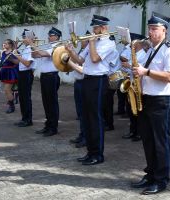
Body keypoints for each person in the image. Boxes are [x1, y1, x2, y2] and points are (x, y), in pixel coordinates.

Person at [128, 12, 170, 195]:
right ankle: (150, 174)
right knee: (148, 140)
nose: (150, 32)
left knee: (160, 141)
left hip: (162, 101)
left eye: (154, 29)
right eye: (149, 28)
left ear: (164, 30)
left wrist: (146, 72)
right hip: (147, 98)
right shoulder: (150, 48)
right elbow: (141, 70)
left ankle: (161, 180)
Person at [65, 15, 118, 165]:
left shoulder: (109, 44)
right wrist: (70, 51)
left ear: (104, 28)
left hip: (99, 81)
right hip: (87, 79)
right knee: (87, 117)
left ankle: (98, 154)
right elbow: (80, 60)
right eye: (93, 28)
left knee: (95, 117)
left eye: (95, 28)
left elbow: (95, 59)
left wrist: (92, 41)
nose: (93, 31)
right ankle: (90, 151)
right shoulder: (92, 43)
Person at [31, 27, 62, 137]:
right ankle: (48, 125)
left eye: (51, 35)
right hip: (45, 77)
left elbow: (43, 54)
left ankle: (53, 128)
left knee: (52, 103)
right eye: (49, 35)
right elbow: (34, 55)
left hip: (52, 77)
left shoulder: (58, 46)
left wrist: (32, 43)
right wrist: (33, 45)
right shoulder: (48, 46)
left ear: (57, 36)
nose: (48, 37)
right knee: (46, 102)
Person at [121, 33, 147, 142]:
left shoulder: (143, 55)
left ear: (138, 43)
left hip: (139, 85)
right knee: (131, 110)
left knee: (139, 112)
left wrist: (129, 66)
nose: (131, 45)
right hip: (131, 83)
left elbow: (140, 70)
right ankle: (133, 131)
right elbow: (128, 70)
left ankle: (140, 133)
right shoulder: (134, 54)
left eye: (133, 43)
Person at [13, 29, 35, 127]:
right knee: (22, 97)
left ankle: (28, 120)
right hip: (22, 74)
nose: (23, 39)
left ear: (30, 38)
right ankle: (24, 118)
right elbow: (20, 62)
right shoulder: (26, 48)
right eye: (23, 37)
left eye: (24, 37)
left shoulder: (31, 48)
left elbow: (26, 63)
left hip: (27, 74)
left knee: (26, 98)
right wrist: (15, 48)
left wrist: (17, 55)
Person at [0, 39, 19, 113]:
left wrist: (11, 59)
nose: (4, 45)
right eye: (4, 43)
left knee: (7, 90)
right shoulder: (4, 52)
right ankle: (11, 101)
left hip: (11, 72)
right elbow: (2, 62)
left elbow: (17, 62)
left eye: (6, 43)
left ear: (10, 45)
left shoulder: (14, 52)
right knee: (8, 90)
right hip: (4, 72)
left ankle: (12, 106)